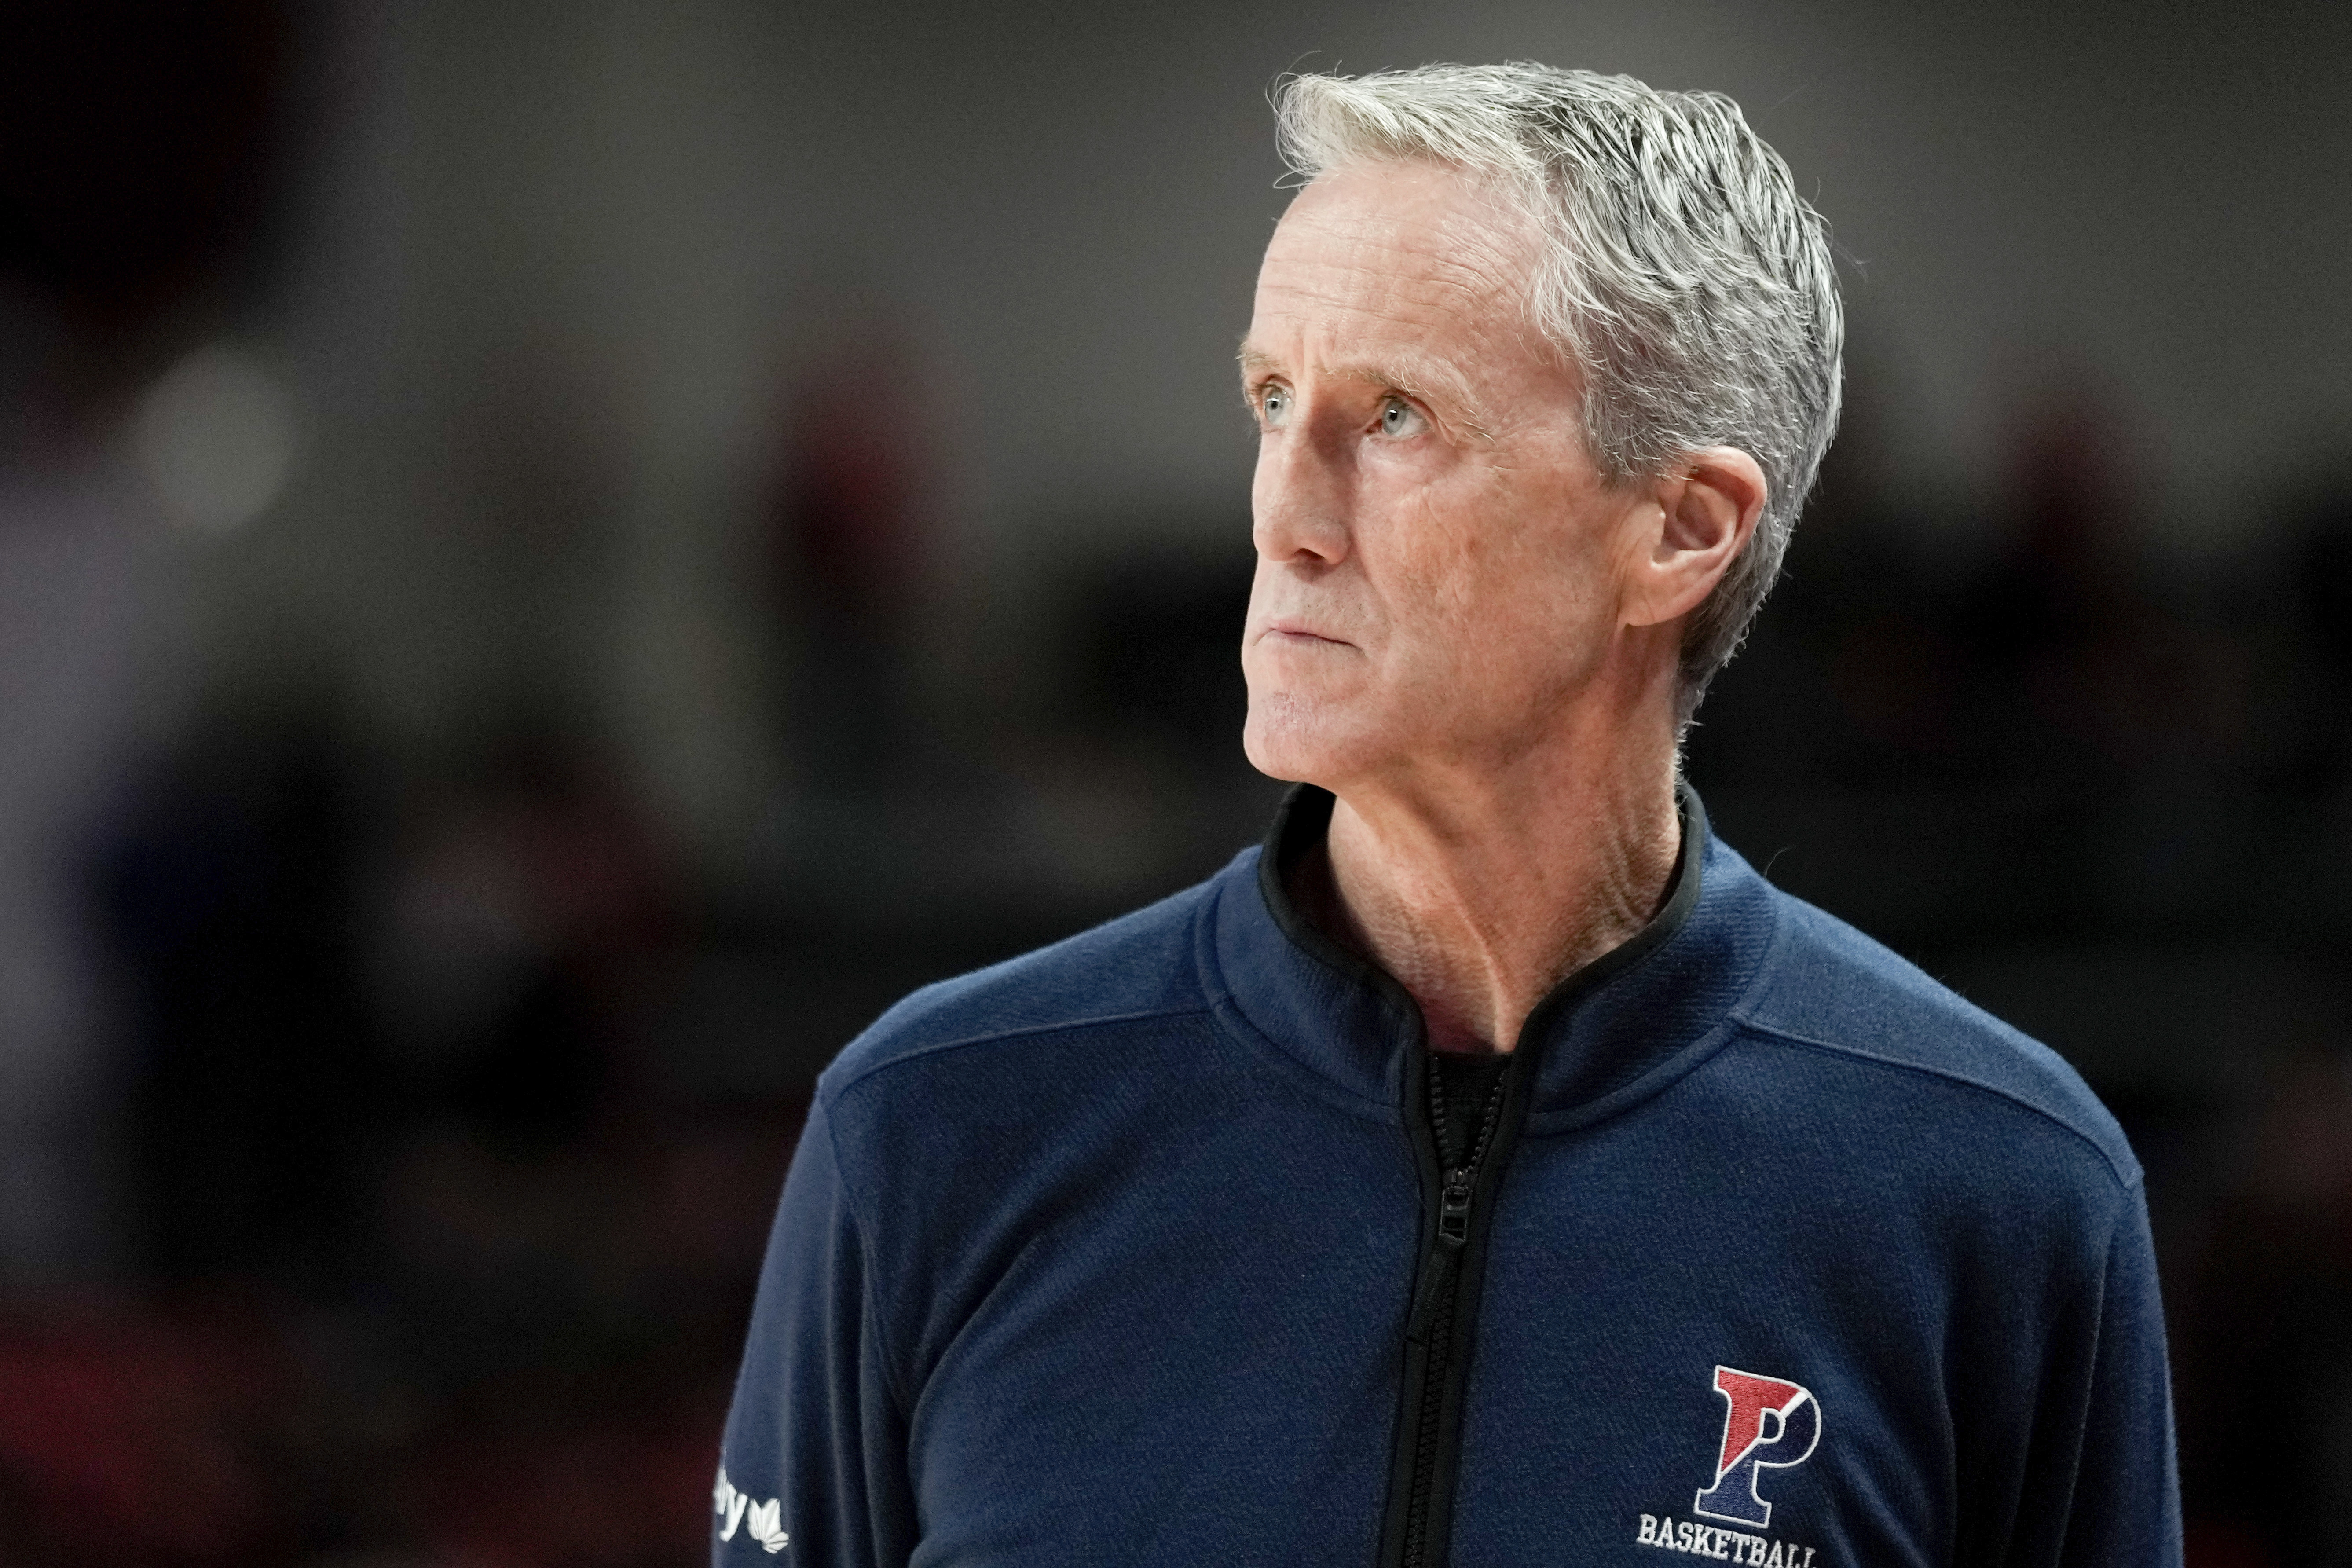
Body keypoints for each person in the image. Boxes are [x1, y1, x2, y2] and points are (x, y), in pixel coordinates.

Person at [714, 63, 2180, 1568]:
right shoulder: (930, 1126)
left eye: (1396, 416)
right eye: (1272, 400)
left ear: (1679, 531)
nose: (1283, 513)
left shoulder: (2000, 1189)